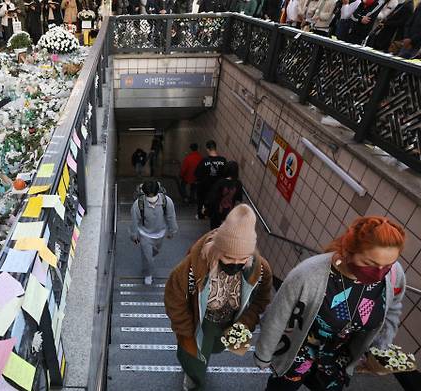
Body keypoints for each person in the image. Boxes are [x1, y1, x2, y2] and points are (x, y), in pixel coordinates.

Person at [254, 216, 407, 391]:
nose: (379, 273)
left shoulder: (394, 275)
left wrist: (381, 349)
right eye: (369, 263)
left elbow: (393, 308)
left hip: (339, 359)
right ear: (349, 252)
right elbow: (278, 315)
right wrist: (263, 354)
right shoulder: (309, 274)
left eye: (388, 265)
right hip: (298, 349)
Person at [165, 204, 273, 391]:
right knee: (194, 358)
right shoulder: (192, 266)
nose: (236, 264)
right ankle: (194, 381)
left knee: (217, 348)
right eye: (229, 258)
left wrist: (247, 322)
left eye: (242, 259)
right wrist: (185, 330)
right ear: (218, 250)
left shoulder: (261, 269)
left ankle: (203, 358)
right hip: (200, 320)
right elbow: (174, 298)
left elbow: (262, 299)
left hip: (232, 321)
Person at [130, 181, 178, 286]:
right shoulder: (138, 205)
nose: (151, 198)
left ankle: (148, 260)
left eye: (153, 195)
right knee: (148, 258)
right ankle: (148, 275)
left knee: (155, 252)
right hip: (145, 234)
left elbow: (171, 216)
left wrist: (172, 230)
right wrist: (134, 235)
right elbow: (134, 221)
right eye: (148, 196)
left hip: (160, 233)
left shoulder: (166, 201)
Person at [194, 140, 226, 220]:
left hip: (205, 187)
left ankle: (201, 215)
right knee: (217, 201)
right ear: (215, 148)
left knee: (201, 199)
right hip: (218, 188)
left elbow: (197, 174)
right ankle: (215, 214)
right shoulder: (223, 160)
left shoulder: (204, 161)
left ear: (207, 149)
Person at [207, 161, 243, 230]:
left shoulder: (220, 182)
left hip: (217, 212)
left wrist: (208, 211)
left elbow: (212, 198)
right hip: (229, 212)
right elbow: (239, 200)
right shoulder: (238, 184)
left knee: (214, 231)